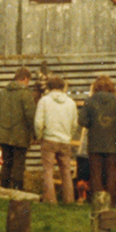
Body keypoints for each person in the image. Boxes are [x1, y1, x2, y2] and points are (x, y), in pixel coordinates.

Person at [79, 75, 116, 205]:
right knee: (112, 173)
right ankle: (112, 201)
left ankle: (98, 201)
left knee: (96, 174)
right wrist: (115, 123)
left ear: (95, 87)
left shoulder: (89, 101)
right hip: (113, 144)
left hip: (94, 144)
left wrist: (93, 123)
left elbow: (82, 121)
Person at [34, 75, 79, 204]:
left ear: (49, 87)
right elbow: (74, 124)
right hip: (65, 140)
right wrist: (69, 135)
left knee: (48, 170)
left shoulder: (44, 101)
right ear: (63, 86)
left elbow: (38, 122)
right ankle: (69, 200)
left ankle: (50, 200)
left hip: (49, 139)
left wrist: (39, 136)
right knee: (66, 171)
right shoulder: (71, 102)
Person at [0, 66, 36, 191]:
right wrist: (34, 133)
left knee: (6, 162)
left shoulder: (1, 93)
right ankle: (17, 191)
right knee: (18, 164)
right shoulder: (26, 94)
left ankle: (4, 189)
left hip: (3, 135)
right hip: (20, 136)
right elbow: (30, 116)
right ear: (25, 79)